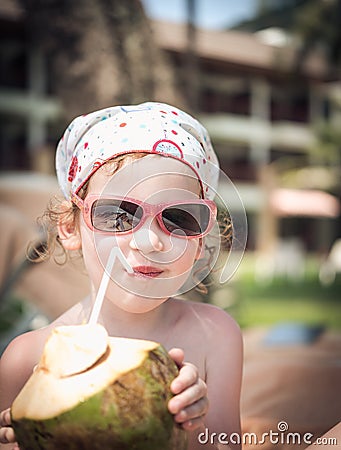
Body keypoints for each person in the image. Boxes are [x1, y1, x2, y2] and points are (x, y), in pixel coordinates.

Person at [0, 102, 243, 450]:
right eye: (117, 215)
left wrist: (190, 426)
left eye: (179, 218)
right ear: (71, 228)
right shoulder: (26, 359)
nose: (151, 241)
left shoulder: (216, 335)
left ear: (202, 236)